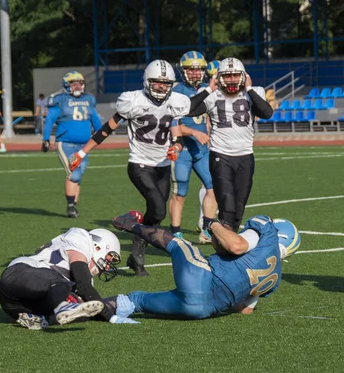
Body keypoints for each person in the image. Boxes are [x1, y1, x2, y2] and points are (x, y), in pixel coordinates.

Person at [68, 59, 205, 277]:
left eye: (165, 83)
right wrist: (82, 153)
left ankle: (137, 253)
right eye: (157, 82)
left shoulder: (175, 101)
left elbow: (176, 135)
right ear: (147, 81)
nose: (161, 87)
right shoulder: (133, 100)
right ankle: (130, 225)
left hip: (162, 165)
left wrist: (177, 147)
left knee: (156, 215)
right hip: (139, 164)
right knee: (159, 208)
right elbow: (106, 130)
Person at [111, 211, 300, 320]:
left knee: (180, 244)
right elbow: (245, 309)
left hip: (200, 278)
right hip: (201, 310)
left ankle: (130, 225)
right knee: (137, 301)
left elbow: (236, 246)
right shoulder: (275, 279)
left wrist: (214, 225)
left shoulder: (265, 231)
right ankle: (95, 307)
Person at [189, 57, 274, 231]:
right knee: (227, 202)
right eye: (227, 76)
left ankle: (227, 242)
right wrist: (207, 89)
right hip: (221, 155)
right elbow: (187, 109)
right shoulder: (213, 95)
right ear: (219, 77)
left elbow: (266, 112)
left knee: (239, 206)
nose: (232, 80)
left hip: (245, 155)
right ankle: (223, 243)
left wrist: (249, 89)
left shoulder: (253, 91)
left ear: (244, 76)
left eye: (235, 75)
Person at [0, 227, 137, 329]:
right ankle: (62, 307)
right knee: (64, 284)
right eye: (109, 258)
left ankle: (44, 320)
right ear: (98, 247)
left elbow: (88, 302)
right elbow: (83, 283)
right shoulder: (82, 238)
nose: (107, 267)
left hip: (17, 308)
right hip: (20, 273)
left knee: (81, 311)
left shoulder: (87, 279)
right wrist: (110, 316)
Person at [169, 51, 216, 243]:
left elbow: (210, 117)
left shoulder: (208, 88)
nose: (196, 74)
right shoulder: (176, 91)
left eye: (199, 70)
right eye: (191, 69)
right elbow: (172, 125)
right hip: (183, 150)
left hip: (202, 150)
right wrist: (194, 132)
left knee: (213, 188)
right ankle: (176, 232)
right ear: (183, 71)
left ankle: (207, 229)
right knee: (180, 193)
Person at [41, 71, 102, 218]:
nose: (77, 86)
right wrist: (46, 139)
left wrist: (100, 135)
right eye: (73, 83)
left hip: (84, 145)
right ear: (66, 86)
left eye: (79, 83)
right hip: (66, 143)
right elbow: (49, 120)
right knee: (73, 173)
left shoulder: (88, 100)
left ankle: (74, 205)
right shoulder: (60, 100)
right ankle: (70, 206)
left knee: (79, 174)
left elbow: (95, 119)